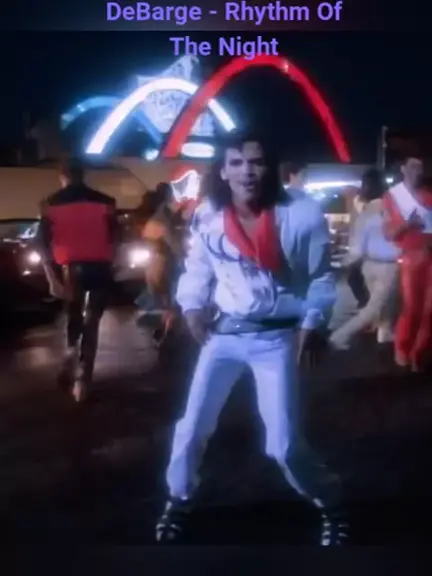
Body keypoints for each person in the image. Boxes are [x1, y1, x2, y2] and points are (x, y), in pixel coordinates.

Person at [155, 132, 348, 546]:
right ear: (224, 171)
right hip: (224, 334)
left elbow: (320, 277)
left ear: (270, 167)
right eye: (237, 163)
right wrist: (191, 307)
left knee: (283, 444)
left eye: (256, 162)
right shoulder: (208, 214)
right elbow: (197, 267)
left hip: (276, 340)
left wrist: (312, 324)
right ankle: (179, 497)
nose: (247, 171)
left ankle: (331, 501)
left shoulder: (301, 213)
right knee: (191, 428)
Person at [37, 157, 117, 402]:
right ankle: (83, 378)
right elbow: (115, 236)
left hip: (71, 268)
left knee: (74, 315)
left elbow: (42, 243)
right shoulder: (106, 201)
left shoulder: (50, 203)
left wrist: (51, 278)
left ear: (63, 177)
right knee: (92, 320)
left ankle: (70, 352)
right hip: (101, 266)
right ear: (83, 175)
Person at [329, 169, 400, 350]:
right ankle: (340, 336)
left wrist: (343, 263)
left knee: (382, 308)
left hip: (368, 266)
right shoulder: (393, 210)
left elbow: (356, 248)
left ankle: (385, 335)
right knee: (375, 307)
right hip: (388, 267)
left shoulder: (365, 214)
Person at [383, 157, 432, 371]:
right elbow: (388, 233)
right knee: (412, 307)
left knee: (429, 309)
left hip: (429, 256)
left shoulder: (428, 197)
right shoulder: (392, 197)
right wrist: (408, 223)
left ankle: (418, 353)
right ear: (402, 169)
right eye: (413, 166)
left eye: (420, 166)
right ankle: (403, 349)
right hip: (410, 258)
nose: (418, 170)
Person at [138, 182, 183, 344]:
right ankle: (166, 335)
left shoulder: (151, 221)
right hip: (164, 266)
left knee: (165, 304)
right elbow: (176, 247)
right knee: (173, 304)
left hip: (151, 266)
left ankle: (162, 332)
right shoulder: (163, 221)